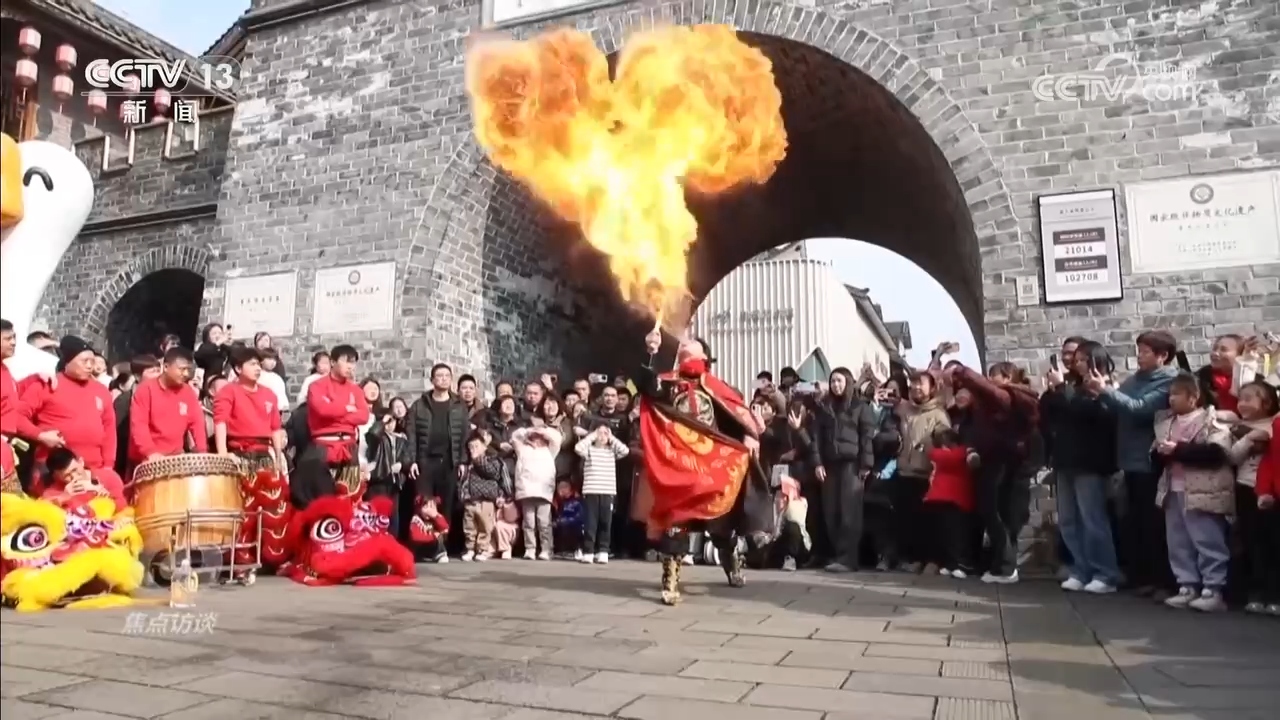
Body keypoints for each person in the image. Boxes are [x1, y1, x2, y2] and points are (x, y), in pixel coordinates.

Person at [636, 328, 773, 605]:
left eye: (692, 342)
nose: (686, 342)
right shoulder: (669, 383)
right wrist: (651, 353)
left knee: (720, 524)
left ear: (704, 355)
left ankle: (731, 564)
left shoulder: (719, 387)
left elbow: (738, 415)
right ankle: (670, 579)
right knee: (676, 520)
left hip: (712, 464)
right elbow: (647, 385)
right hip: (680, 462)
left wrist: (749, 434)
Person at [1089, 330, 1179, 599]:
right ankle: (1142, 576)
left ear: (1163, 356)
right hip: (1128, 459)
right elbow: (1118, 405)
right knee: (1135, 521)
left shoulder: (1169, 381)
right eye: (1139, 351)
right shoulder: (1135, 379)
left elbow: (1140, 408)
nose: (1139, 356)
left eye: (1145, 352)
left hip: (1149, 459)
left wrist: (1107, 391)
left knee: (1154, 524)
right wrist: (1102, 393)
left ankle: (1164, 580)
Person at [943, 360, 1040, 584]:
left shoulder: (1014, 396)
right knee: (994, 514)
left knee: (1002, 515)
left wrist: (962, 372)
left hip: (1009, 465)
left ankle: (1006, 568)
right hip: (993, 462)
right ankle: (1001, 565)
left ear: (1007, 377)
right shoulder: (987, 405)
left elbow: (992, 393)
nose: (989, 380)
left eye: (993, 376)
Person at [1041, 341, 1121, 593]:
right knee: (1068, 520)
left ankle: (1105, 573)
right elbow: (1049, 412)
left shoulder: (1104, 386)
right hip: (1065, 459)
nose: (1077, 364)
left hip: (1090, 461)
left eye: (1083, 359)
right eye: (1076, 359)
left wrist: (1062, 389)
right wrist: (1054, 390)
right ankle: (1080, 568)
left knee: (1092, 519)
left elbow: (1089, 412)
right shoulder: (1071, 386)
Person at [1153, 373, 1234, 612]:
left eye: (1177, 394)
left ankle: (1213, 588)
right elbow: (1156, 456)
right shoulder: (1165, 422)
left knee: (1207, 539)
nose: (1171, 399)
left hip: (1204, 491)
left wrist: (1178, 450)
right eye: (1170, 394)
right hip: (1172, 489)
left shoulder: (1211, 420)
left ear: (1194, 397)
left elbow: (1217, 453)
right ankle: (1186, 585)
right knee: (1178, 541)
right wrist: (1159, 453)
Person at [17, 336, 125, 507]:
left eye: (92, 361)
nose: (90, 366)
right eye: (84, 361)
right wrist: (41, 435)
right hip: (55, 472)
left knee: (99, 514)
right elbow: (16, 417)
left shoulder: (101, 391)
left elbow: (109, 430)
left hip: (92, 470)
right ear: (68, 361)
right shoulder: (48, 385)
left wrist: (108, 466)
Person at [810, 366, 877, 573]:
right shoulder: (824, 408)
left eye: (839, 381)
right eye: (833, 381)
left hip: (852, 465)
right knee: (831, 512)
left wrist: (866, 464)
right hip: (830, 465)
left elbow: (867, 437)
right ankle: (838, 555)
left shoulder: (860, 407)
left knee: (850, 513)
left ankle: (848, 559)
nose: (836, 385)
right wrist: (817, 463)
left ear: (848, 382)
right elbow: (816, 439)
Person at [405, 363, 469, 559]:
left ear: (451, 380)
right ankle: (422, 546)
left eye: (446, 376)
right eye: (439, 376)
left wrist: (462, 461)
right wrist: (411, 461)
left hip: (449, 462)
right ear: (432, 380)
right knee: (423, 505)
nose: (443, 379)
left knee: (446, 506)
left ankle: (441, 548)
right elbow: (411, 435)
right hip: (425, 462)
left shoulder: (459, 406)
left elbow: (464, 436)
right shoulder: (420, 405)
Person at [888, 371, 950, 572]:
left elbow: (945, 443)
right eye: (913, 383)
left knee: (928, 522)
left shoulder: (938, 415)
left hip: (926, 475)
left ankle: (932, 561)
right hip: (904, 472)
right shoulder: (904, 410)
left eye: (920, 384)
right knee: (907, 521)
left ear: (931, 388)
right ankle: (913, 560)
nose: (916, 387)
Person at [1223, 380, 1277, 613]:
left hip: (1272, 491)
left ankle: (1273, 595)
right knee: (1250, 541)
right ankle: (1254, 592)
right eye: (1240, 399)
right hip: (1245, 487)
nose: (1242, 404)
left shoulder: (1274, 424)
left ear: (1267, 402)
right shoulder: (1237, 427)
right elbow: (1231, 457)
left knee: (1272, 542)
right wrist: (1248, 438)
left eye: (1248, 399)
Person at [293, 345, 369, 508]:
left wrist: (335, 411)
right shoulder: (317, 386)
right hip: (323, 445)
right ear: (333, 362)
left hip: (348, 447)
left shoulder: (355, 390)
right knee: (321, 498)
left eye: (353, 363)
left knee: (351, 497)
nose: (350, 366)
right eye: (346, 361)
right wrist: (347, 408)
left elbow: (363, 416)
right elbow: (322, 410)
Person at [128, 346, 207, 471]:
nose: (186, 374)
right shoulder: (146, 390)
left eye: (188, 370)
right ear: (165, 367)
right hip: (146, 458)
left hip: (176, 457)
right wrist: (150, 452)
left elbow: (197, 423)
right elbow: (139, 425)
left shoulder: (188, 392)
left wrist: (202, 451)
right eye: (182, 369)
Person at [213, 346, 286, 478]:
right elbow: (220, 422)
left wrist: (278, 458)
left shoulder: (269, 394)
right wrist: (222, 454)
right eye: (252, 364)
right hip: (238, 453)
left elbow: (275, 428)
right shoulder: (228, 391)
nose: (257, 368)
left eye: (258, 364)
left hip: (264, 453)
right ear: (238, 368)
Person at [920, 427, 977, 578]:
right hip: (945, 497)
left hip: (955, 498)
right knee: (947, 532)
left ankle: (960, 563)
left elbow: (944, 457)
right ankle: (950, 563)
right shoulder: (957, 452)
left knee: (955, 533)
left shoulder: (962, 452)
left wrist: (932, 450)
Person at [576, 424, 629, 564]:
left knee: (605, 523)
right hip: (591, 491)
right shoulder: (589, 450)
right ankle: (588, 551)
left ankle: (603, 550)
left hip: (607, 492)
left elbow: (625, 451)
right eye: (600, 433)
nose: (602, 436)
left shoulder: (612, 451)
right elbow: (578, 448)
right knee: (590, 523)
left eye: (605, 433)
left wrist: (611, 437)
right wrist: (592, 435)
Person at [511, 420, 562, 560]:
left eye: (539, 435)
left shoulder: (550, 449)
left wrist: (543, 430)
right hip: (526, 491)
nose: (537, 436)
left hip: (544, 491)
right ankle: (530, 548)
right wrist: (529, 430)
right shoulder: (523, 448)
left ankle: (546, 549)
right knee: (528, 523)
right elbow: (515, 436)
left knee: (544, 522)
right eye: (535, 434)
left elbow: (557, 438)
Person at [458, 430, 509, 561]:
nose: (473, 449)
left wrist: (478, 460)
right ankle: (470, 549)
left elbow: (493, 473)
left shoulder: (492, 460)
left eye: (476, 446)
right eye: (471, 447)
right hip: (470, 500)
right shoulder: (468, 465)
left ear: (484, 447)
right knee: (469, 527)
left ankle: (482, 549)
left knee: (485, 527)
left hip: (486, 501)